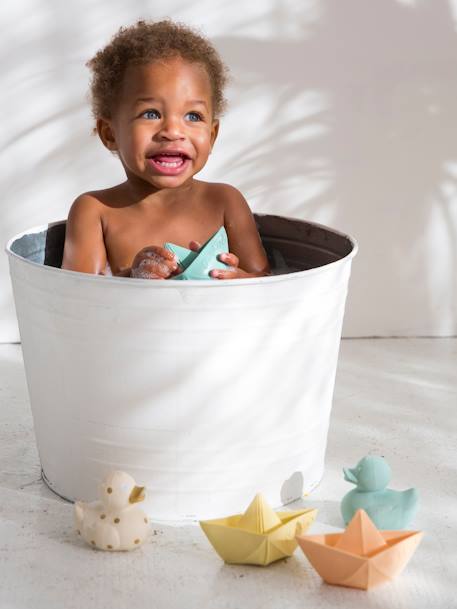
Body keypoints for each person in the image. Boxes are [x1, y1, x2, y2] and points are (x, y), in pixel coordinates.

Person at [62, 20, 270, 280]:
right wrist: (131, 277)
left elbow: (265, 281)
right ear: (110, 133)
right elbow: (75, 297)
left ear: (212, 135)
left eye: (193, 116)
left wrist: (236, 279)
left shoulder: (225, 202)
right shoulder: (95, 210)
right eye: (151, 113)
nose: (173, 131)